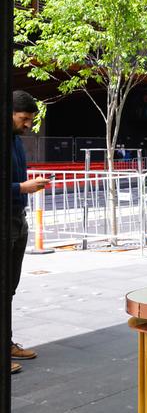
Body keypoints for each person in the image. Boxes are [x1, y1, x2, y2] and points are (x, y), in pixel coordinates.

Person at [10, 91, 51, 374]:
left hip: (16, 219)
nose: (27, 126)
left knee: (9, 288)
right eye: (24, 119)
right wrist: (22, 188)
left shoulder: (15, 141)